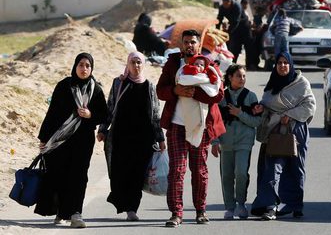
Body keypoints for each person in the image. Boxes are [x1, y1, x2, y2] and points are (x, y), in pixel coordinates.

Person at [156, 29, 226, 227]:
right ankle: (176, 213)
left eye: (193, 42)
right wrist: (175, 90)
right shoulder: (172, 64)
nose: (189, 45)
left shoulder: (208, 64)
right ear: (181, 45)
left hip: (200, 126)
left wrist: (193, 93)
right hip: (177, 126)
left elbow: (218, 95)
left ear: (199, 44)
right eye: (186, 42)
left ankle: (200, 211)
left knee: (199, 170)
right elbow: (160, 91)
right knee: (176, 171)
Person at [35, 53, 109, 228]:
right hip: (60, 140)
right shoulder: (63, 86)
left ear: (92, 69)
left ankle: (76, 213)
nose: (84, 69)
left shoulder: (95, 90)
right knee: (59, 173)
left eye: (87, 66)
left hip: (83, 140)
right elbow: (52, 113)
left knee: (79, 176)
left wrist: (90, 115)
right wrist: (44, 138)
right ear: (75, 66)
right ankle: (61, 211)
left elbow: (104, 114)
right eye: (81, 65)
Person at [98, 52, 165, 222]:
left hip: (143, 139)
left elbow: (155, 114)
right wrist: (103, 129)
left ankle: (131, 208)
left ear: (143, 65)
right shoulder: (119, 83)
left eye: (139, 63)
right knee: (119, 172)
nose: (136, 66)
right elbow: (110, 107)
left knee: (137, 175)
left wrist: (160, 138)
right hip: (121, 136)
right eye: (133, 63)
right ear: (127, 64)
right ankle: (122, 201)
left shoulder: (149, 86)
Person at [251, 52, 316, 220]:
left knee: (296, 169)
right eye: (279, 63)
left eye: (286, 63)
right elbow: (267, 104)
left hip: (296, 130)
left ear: (291, 64)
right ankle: (270, 206)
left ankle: (295, 205)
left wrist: (290, 114)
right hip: (275, 132)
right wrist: (261, 109)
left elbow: (310, 106)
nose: (282, 66)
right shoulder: (272, 84)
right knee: (273, 168)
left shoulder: (301, 83)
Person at [212, 64, 262, 220]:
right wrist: (214, 141)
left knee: (241, 173)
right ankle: (229, 206)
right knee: (226, 175)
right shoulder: (221, 98)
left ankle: (241, 204)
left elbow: (256, 121)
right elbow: (214, 121)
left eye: (244, 76)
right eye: (239, 76)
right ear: (230, 77)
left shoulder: (251, 96)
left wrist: (240, 113)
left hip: (244, 141)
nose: (242, 79)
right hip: (225, 142)